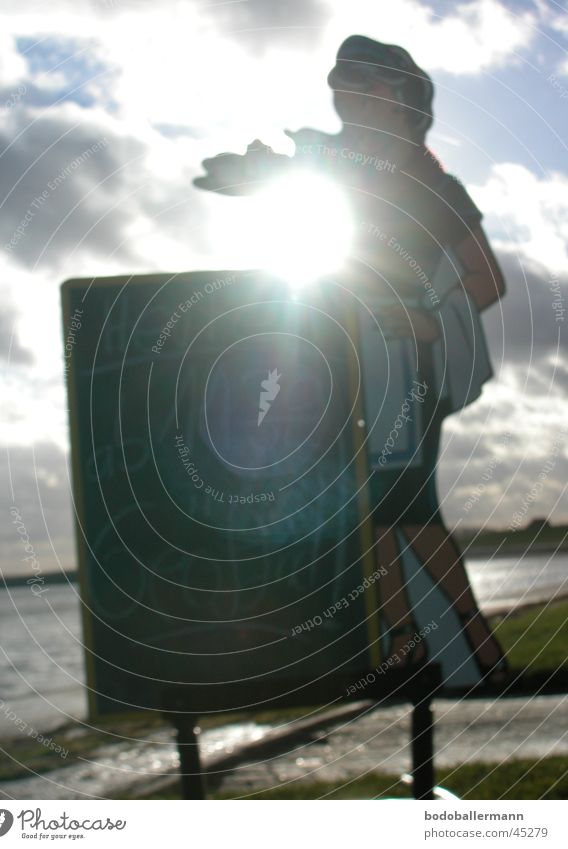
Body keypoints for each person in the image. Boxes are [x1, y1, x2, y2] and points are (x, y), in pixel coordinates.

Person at [193, 35, 508, 687]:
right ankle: (407, 645)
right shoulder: (338, 167)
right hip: (339, 359)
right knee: (366, 509)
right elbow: (282, 175)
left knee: (404, 504)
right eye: (339, 81)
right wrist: (248, 172)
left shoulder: (430, 183)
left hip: (401, 363)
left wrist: (426, 320)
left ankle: (480, 646)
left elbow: (486, 277)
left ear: (399, 100)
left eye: (362, 83)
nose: (345, 95)